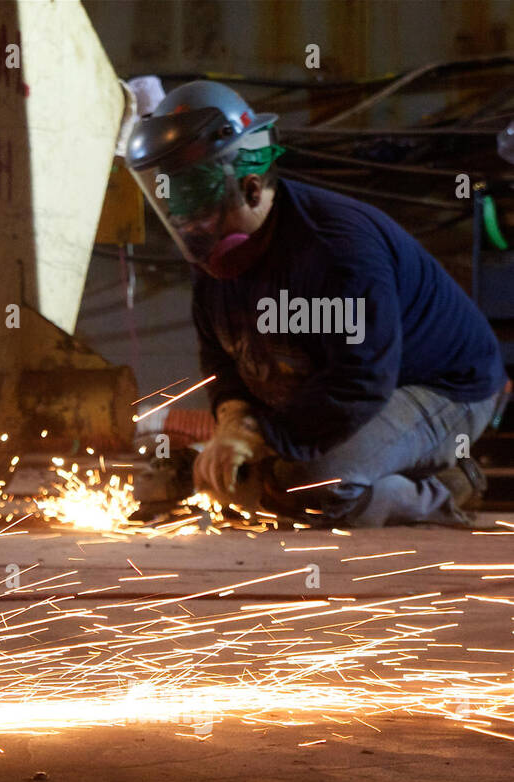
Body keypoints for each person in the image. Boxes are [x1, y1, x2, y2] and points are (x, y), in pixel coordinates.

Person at [124, 80, 509, 527]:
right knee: (230, 476)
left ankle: (440, 491)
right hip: (345, 390)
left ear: (251, 188)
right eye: (180, 215)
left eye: (202, 212)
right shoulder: (215, 261)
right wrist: (234, 423)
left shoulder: (338, 251)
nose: (191, 231)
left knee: (311, 486)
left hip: (443, 388)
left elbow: (360, 382)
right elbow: (223, 360)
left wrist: (259, 437)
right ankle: (365, 470)